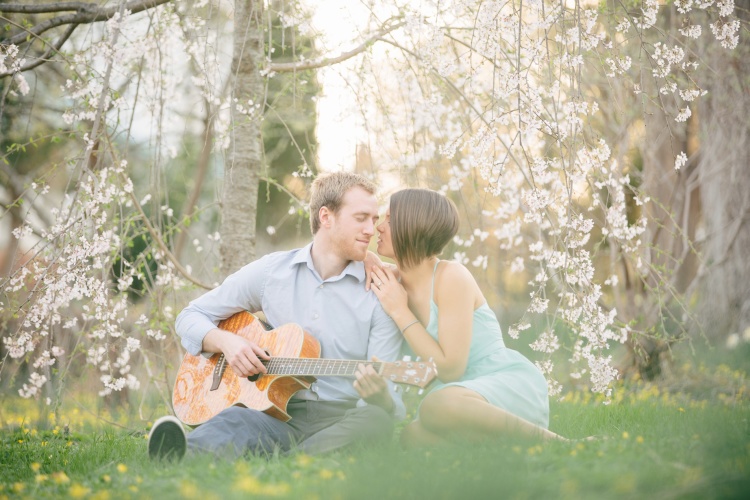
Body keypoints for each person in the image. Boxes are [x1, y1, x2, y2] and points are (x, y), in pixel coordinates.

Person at [148, 172, 405, 461]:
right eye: (361, 218)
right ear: (326, 217)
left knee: (375, 422)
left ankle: (287, 459)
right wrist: (227, 343)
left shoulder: (379, 290)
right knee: (234, 420)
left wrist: (380, 397)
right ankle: (177, 458)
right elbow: (190, 316)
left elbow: (390, 401)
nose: (372, 229)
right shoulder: (272, 272)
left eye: (375, 219)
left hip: (341, 418)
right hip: (272, 414)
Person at [366, 188, 565, 447]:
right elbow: (354, 258)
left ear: (411, 226)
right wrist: (367, 257)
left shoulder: (451, 276)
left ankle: (557, 443)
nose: (379, 227)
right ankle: (513, 454)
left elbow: (450, 369)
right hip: (453, 400)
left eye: (390, 220)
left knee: (435, 405)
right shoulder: (394, 283)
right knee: (411, 438)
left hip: (498, 385)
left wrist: (400, 311)